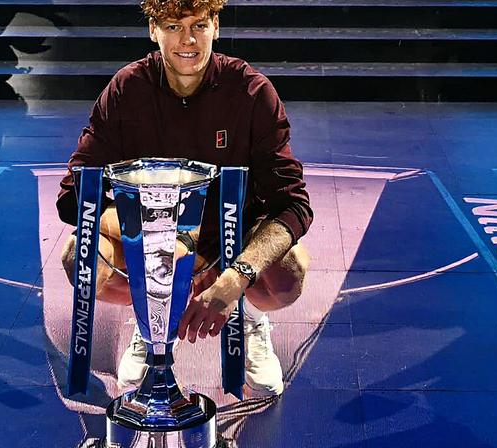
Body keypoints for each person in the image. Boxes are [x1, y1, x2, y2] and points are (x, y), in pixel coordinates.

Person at [57, 0, 312, 397]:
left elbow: (294, 205)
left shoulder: (250, 90)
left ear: (216, 25)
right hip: (151, 243)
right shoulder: (126, 89)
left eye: (199, 25)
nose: (188, 40)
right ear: (153, 31)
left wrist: (236, 275)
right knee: (79, 255)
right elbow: (73, 197)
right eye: (173, 26)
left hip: (230, 243)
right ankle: (150, 323)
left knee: (289, 270)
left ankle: (247, 318)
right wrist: (162, 238)